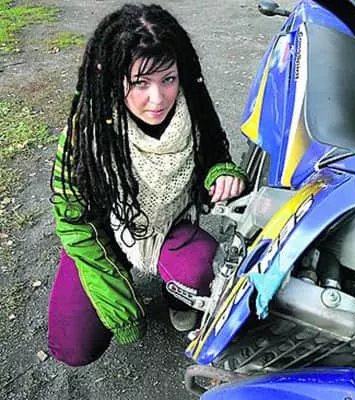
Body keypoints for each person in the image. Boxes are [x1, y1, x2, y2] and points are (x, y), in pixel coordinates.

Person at [47, 3, 246, 367]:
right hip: (103, 233)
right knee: (72, 347)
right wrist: (117, 303)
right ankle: (117, 273)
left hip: (168, 226)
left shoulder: (192, 107)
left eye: (168, 79)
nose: (158, 99)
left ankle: (178, 293)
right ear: (113, 76)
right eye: (140, 82)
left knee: (203, 268)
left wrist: (221, 173)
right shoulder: (86, 132)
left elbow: (214, 155)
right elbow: (74, 221)